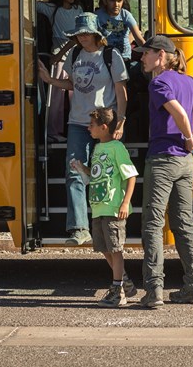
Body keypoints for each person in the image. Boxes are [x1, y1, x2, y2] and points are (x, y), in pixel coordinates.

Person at [133, 35, 193, 308]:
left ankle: (153, 291)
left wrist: (188, 135)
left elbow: (180, 115)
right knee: (183, 223)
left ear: (160, 55)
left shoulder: (159, 83)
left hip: (162, 159)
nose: (141, 58)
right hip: (185, 162)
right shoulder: (188, 81)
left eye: (145, 54)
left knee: (152, 224)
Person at [38, 13, 128, 246]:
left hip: (104, 122)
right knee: (75, 171)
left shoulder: (111, 55)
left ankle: (109, 224)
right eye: (78, 34)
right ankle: (79, 228)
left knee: (106, 172)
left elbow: (121, 91)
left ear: (97, 34)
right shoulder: (75, 54)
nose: (82, 37)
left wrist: (121, 121)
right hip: (78, 121)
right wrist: (50, 81)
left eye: (86, 33)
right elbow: (72, 84)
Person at [71, 107, 139, 307]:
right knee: (104, 248)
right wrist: (82, 169)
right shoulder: (98, 148)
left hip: (113, 208)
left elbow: (131, 176)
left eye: (92, 125)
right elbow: (96, 175)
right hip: (99, 208)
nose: (88, 128)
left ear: (103, 127)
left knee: (115, 249)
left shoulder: (117, 148)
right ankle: (124, 282)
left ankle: (117, 290)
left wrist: (125, 202)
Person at [37, 0, 84, 140]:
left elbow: (76, 37)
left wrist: (57, 54)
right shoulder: (52, 9)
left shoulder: (78, 9)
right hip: (61, 59)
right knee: (55, 99)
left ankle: (77, 128)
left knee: (75, 96)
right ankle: (53, 132)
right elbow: (26, 2)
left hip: (69, 57)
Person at [95, 0, 146, 66]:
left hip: (124, 57)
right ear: (105, 0)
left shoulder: (126, 15)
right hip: (104, 57)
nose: (116, 5)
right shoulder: (97, 16)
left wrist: (150, 52)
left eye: (119, 1)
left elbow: (139, 39)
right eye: (112, 0)